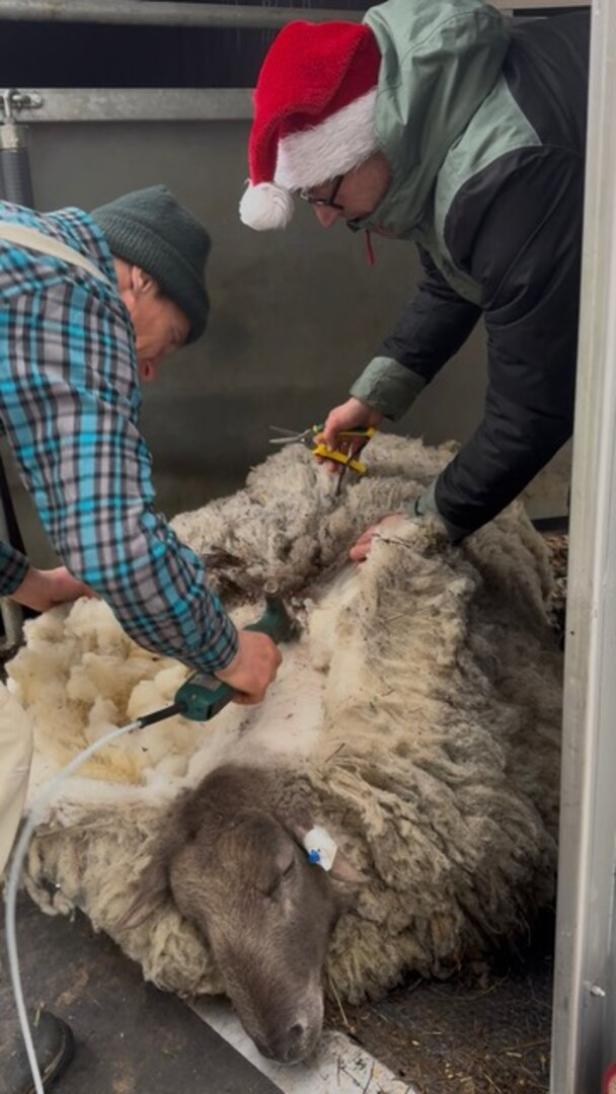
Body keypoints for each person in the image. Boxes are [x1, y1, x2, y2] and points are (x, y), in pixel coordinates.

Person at [0, 185, 280, 1091]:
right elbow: (118, 545)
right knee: (7, 758)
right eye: (172, 339)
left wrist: (29, 584)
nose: (150, 368)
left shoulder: (18, 254)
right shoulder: (72, 293)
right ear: (137, 285)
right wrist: (229, 653)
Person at [239, 0, 589, 559]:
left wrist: (428, 521)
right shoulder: (437, 127)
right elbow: (453, 278)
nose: (325, 217)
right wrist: (372, 399)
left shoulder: (505, 173)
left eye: (322, 192)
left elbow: (534, 406)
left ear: (364, 145)